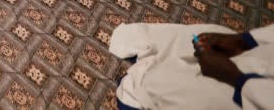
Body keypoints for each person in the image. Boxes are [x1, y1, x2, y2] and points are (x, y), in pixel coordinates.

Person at [110, 22, 273, 110]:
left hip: (251, 97)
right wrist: (244, 41)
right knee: (206, 33)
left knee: (160, 84)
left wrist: (235, 77)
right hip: (263, 55)